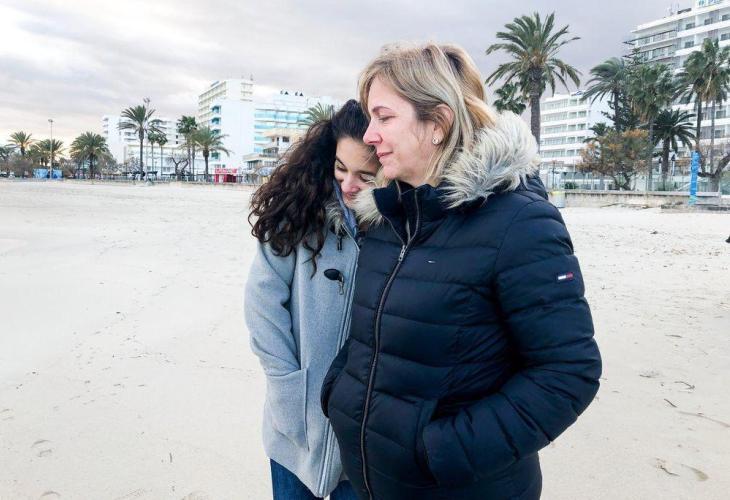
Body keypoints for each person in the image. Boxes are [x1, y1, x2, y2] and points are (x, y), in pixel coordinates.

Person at [320, 43, 602, 499]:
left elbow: (568, 372)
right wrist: (339, 394)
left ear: (438, 123)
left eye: (384, 118)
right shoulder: (386, 219)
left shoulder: (520, 222)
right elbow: (369, 337)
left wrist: (444, 451)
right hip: (374, 483)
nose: (369, 136)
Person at [245, 100, 379, 500]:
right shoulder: (298, 213)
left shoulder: (400, 231)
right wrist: (287, 388)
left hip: (363, 449)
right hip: (293, 433)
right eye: (341, 168)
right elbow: (262, 305)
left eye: (365, 176)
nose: (348, 184)